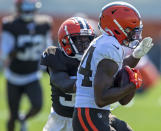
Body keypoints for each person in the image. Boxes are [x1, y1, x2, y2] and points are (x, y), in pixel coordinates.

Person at [72, 1, 154, 131]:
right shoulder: (109, 47)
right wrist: (131, 86)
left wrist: (136, 55)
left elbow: (115, 68)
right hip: (90, 113)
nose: (133, 35)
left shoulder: (105, 42)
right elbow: (101, 98)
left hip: (95, 112)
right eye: (129, 30)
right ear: (116, 27)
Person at [0, 0, 53, 131]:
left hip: (32, 75)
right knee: (12, 115)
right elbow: (4, 54)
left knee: (37, 106)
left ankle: (23, 119)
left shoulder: (43, 24)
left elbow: (48, 48)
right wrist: (17, 50)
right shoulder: (10, 24)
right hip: (14, 76)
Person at [40, 17, 95, 131]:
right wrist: (96, 82)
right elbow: (65, 84)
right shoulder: (55, 56)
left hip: (89, 119)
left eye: (86, 40)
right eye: (79, 41)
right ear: (65, 41)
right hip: (60, 122)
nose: (84, 45)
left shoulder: (95, 58)